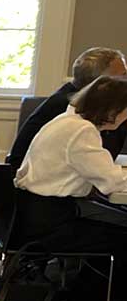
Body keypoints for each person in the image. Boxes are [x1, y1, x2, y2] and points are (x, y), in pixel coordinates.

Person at [14, 75, 127, 252]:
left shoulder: (66, 121)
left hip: (33, 210)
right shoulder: (83, 131)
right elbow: (111, 182)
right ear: (112, 109)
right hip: (52, 221)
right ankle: (87, 280)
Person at [9, 46, 127, 167]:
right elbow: (101, 156)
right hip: (33, 180)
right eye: (123, 76)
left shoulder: (75, 96)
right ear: (99, 83)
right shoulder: (70, 107)